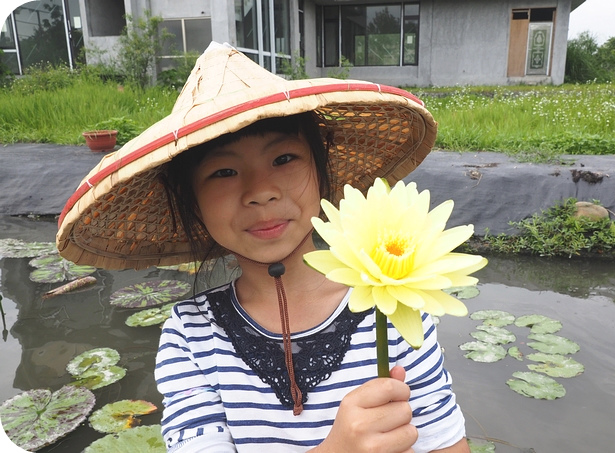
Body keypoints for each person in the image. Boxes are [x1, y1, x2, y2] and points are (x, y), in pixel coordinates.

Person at [56, 42, 470, 453]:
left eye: (284, 159)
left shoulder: (396, 309)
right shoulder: (190, 337)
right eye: (224, 171)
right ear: (193, 205)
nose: (261, 192)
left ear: (324, 175)